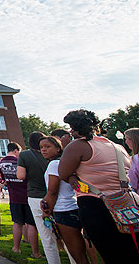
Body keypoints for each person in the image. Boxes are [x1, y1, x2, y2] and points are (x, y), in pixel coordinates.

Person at [59, 109, 139, 262]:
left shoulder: (77, 146)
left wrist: (71, 173)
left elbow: (63, 173)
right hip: (126, 204)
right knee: (131, 251)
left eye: (71, 128)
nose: (70, 131)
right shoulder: (116, 146)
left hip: (95, 205)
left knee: (110, 253)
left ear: (76, 129)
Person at [40, 136, 88, 264]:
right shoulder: (65, 163)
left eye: (47, 147)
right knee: (81, 251)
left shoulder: (54, 164)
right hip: (73, 206)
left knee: (77, 254)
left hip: (63, 209)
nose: (44, 150)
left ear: (58, 148)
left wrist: (46, 209)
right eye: (41, 147)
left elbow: (53, 191)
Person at [17, 131, 60, 263]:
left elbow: (21, 176)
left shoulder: (24, 155)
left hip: (37, 197)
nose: (43, 150)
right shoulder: (56, 157)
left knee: (46, 236)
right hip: (58, 196)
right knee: (66, 235)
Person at [0, 142, 40, 256]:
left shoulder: (2, 162)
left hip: (14, 196)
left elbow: (4, 179)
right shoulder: (20, 161)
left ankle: (16, 247)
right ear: (16, 150)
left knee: (17, 223)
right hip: (26, 195)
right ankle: (35, 252)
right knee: (31, 224)